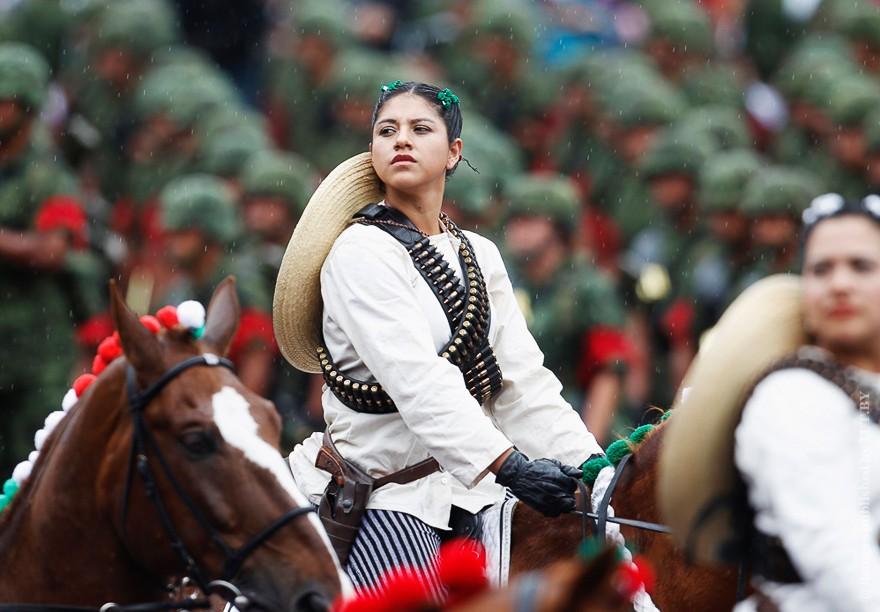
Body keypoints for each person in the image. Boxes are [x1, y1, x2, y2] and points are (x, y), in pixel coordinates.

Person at [275, 81, 604, 597]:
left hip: (472, 493)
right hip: (385, 499)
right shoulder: (360, 252)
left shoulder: (478, 253)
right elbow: (418, 382)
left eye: (419, 128)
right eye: (387, 130)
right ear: (372, 152)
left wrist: (594, 468)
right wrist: (510, 464)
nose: (400, 139)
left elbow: (519, 383)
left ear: (454, 153)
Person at [731, 192, 880, 611]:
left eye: (861, 266)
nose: (839, 284)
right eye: (821, 269)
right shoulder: (792, 398)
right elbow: (844, 571)